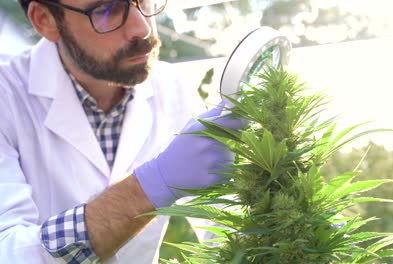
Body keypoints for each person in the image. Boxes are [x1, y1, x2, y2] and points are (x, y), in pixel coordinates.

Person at [0, 0, 244, 263]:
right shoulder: (7, 97)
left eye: (145, 1)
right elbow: (9, 251)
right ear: (45, 20)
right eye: (106, 10)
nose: (143, 29)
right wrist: (150, 187)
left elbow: (226, 226)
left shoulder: (171, 86)